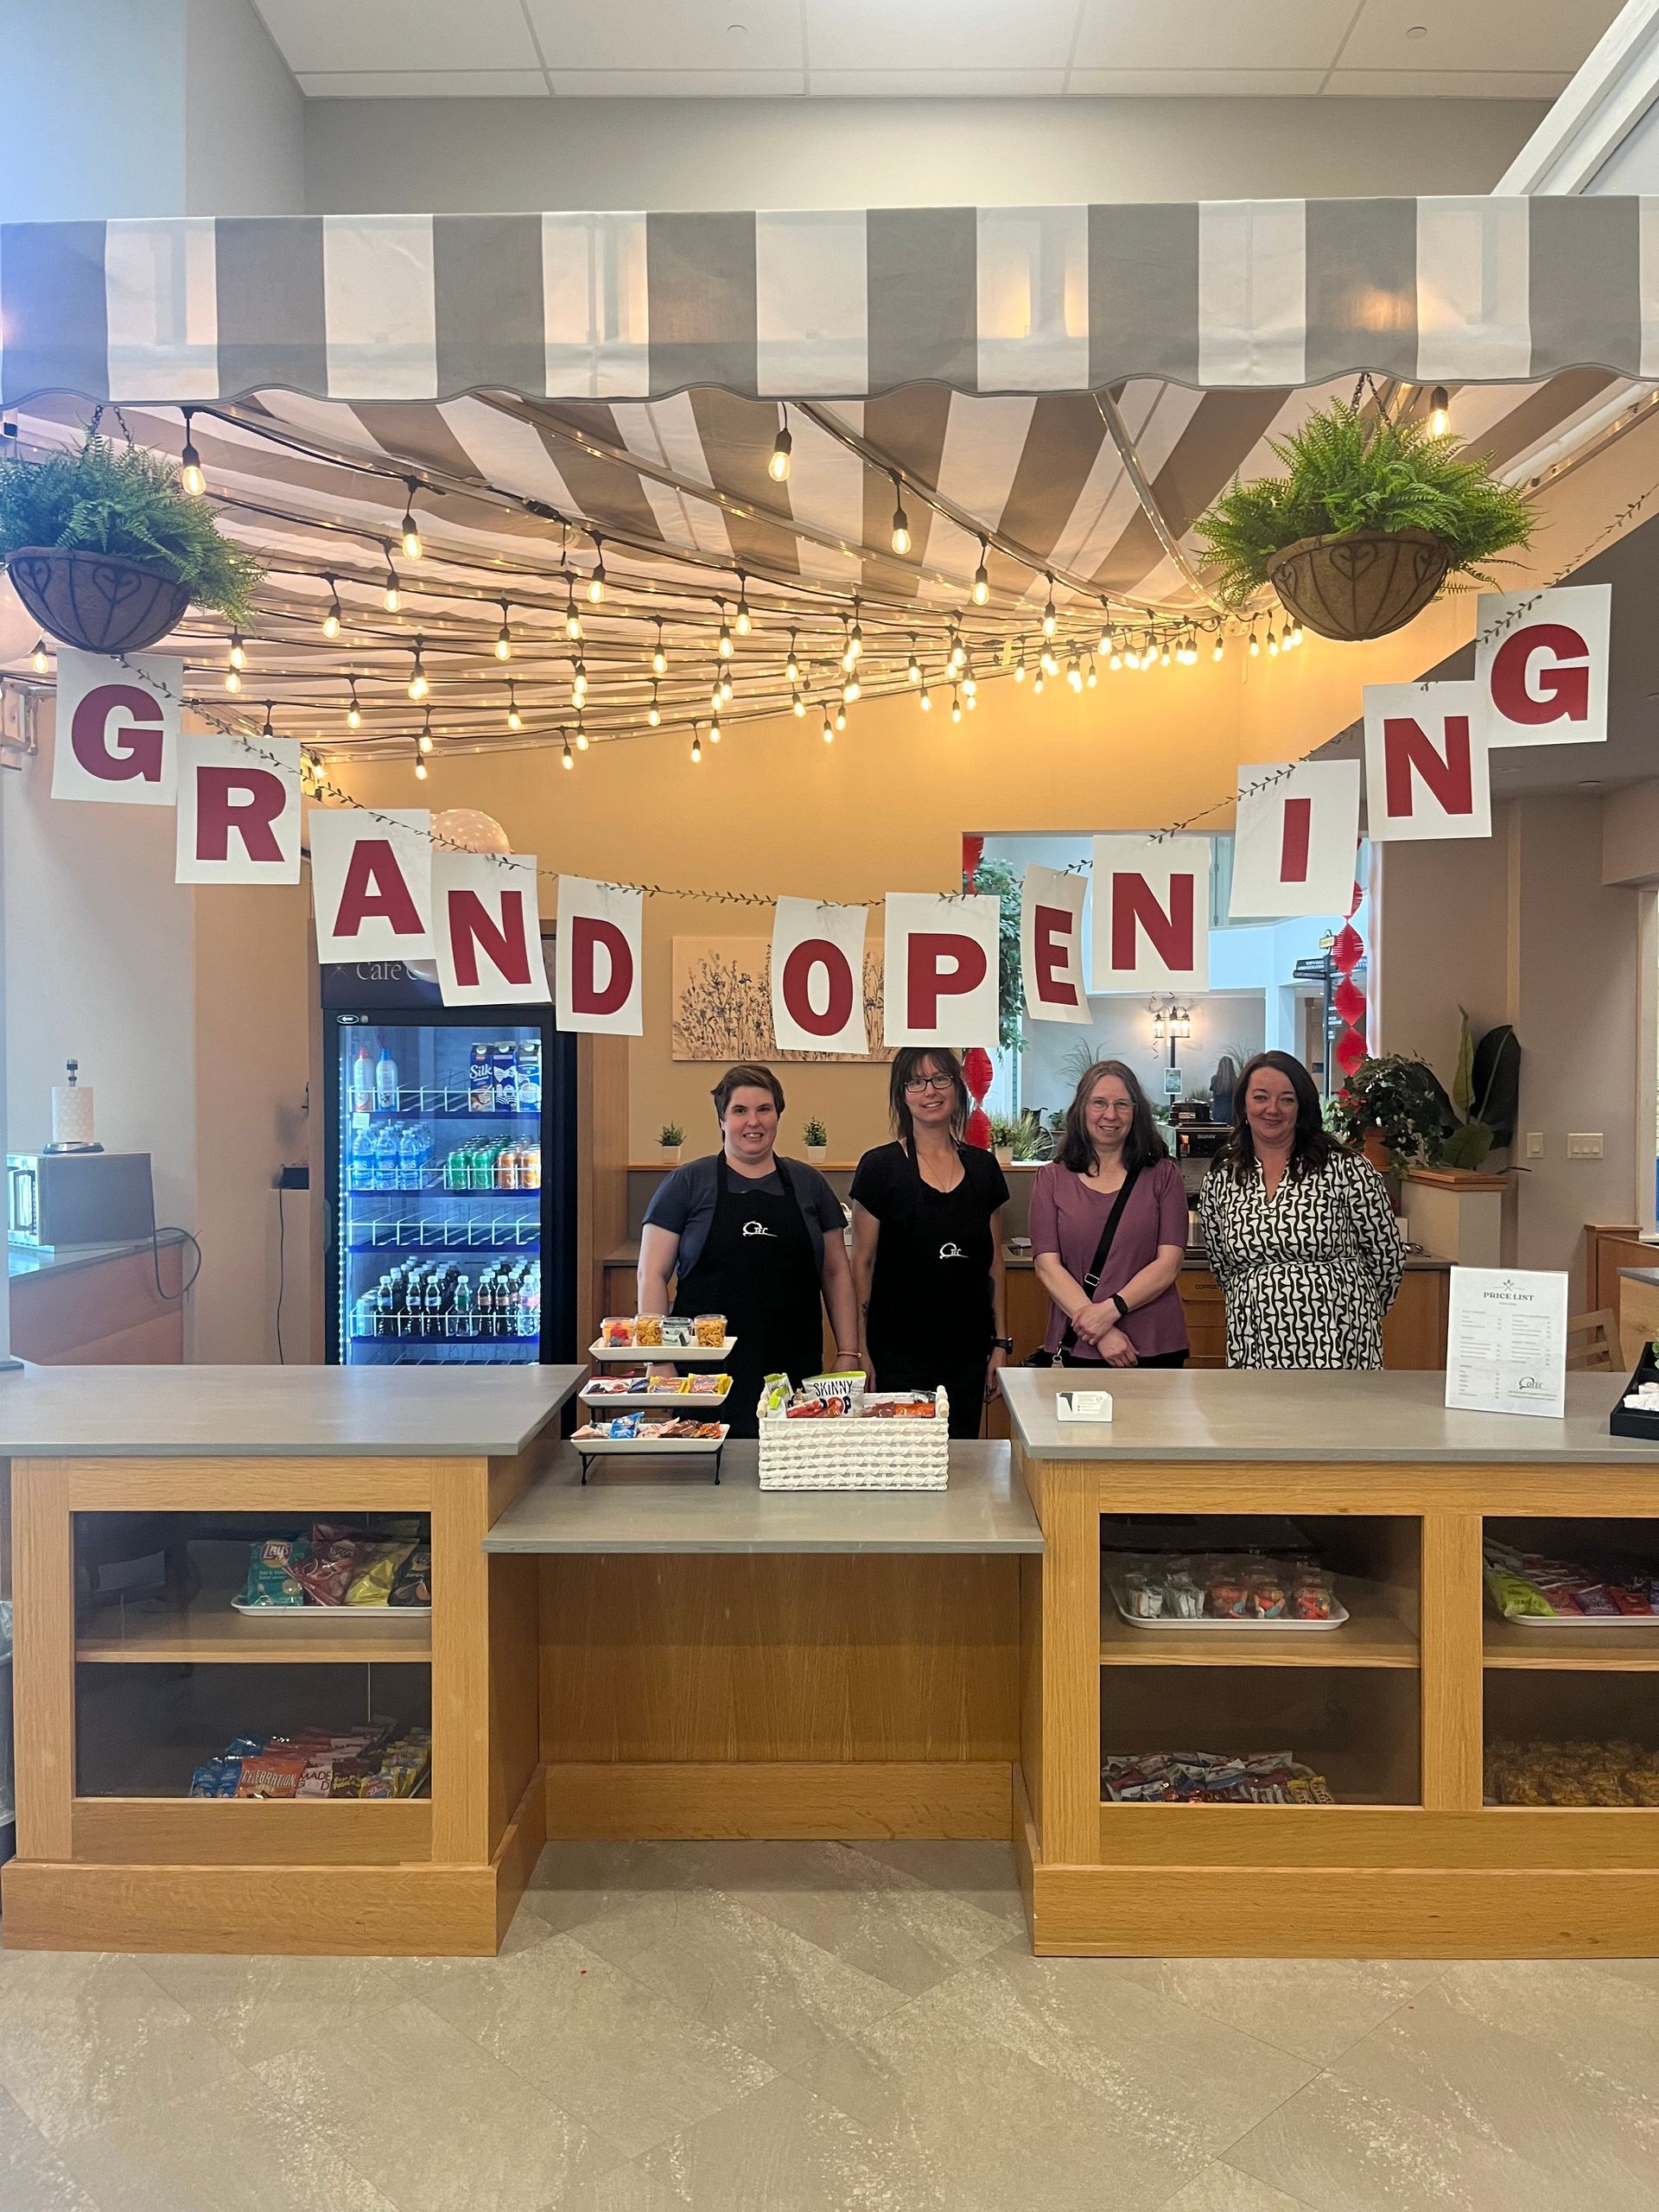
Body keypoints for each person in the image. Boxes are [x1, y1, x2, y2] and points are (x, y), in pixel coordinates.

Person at [639, 1063, 858, 1437]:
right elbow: (651, 1274)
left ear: (778, 1116)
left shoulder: (809, 1184)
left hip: (793, 1367)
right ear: (722, 1120)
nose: (753, 1122)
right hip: (704, 1372)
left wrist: (848, 1353)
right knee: (709, 1466)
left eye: (764, 1109)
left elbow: (837, 1273)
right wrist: (658, 1358)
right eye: (740, 1110)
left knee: (790, 1462)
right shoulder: (686, 1183)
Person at [1198, 1048, 1403, 1370]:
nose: (1272, 1109)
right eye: (1261, 1097)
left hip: (1341, 1339)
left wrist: (1350, 1307)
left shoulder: (1346, 1168)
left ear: (1302, 1106)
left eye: (1287, 1099)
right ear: (1243, 1104)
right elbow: (1222, 1266)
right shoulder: (1223, 1178)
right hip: (1254, 1339)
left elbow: (1386, 1258)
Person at [849, 1048, 1012, 1439]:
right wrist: (859, 1351)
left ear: (957, 1088)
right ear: (902, 1094)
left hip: (968, 1353)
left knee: (962, 1460)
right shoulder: (879, 1168)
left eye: (941, 1079)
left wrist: (1000, 1345)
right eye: (917, 1082)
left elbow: (994, 1264)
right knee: (904, 1461)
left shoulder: (984, 1168)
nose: (930, 1091)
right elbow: (862, 1264)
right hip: (897, 1355)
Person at [1030, 1060, 1191, 1368]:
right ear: (1082, 1109)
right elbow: (1048, 1267)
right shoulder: (1051, 1179)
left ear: (1136, 1111)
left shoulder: (1164, 1176)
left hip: (1155, 1344)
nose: (1111, 1115)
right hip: (1078, 1346)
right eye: (1099, 1103)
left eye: (1122, 1104)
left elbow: (1169, 1264)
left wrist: (1110, 1311)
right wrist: (1100, 1332)